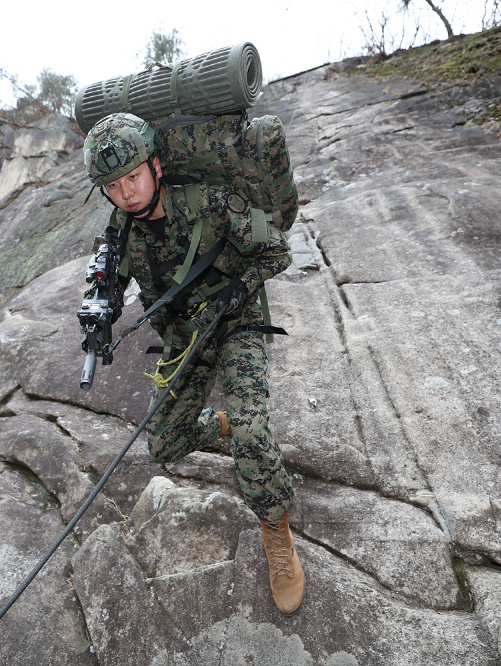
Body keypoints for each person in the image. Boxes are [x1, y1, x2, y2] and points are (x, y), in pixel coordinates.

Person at [82, 112, 304, 615]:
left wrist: (237, 289)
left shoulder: (208, 201)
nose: (127, 193)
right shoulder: (119, 236)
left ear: (156, 166)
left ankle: (275, 527)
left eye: (133, 177)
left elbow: (275, 252)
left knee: (252, 436)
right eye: (113, 186)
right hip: (186, 338)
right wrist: (99, 310)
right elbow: (107, 285)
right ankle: (222, 423)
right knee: (165, 443)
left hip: (236, 321)